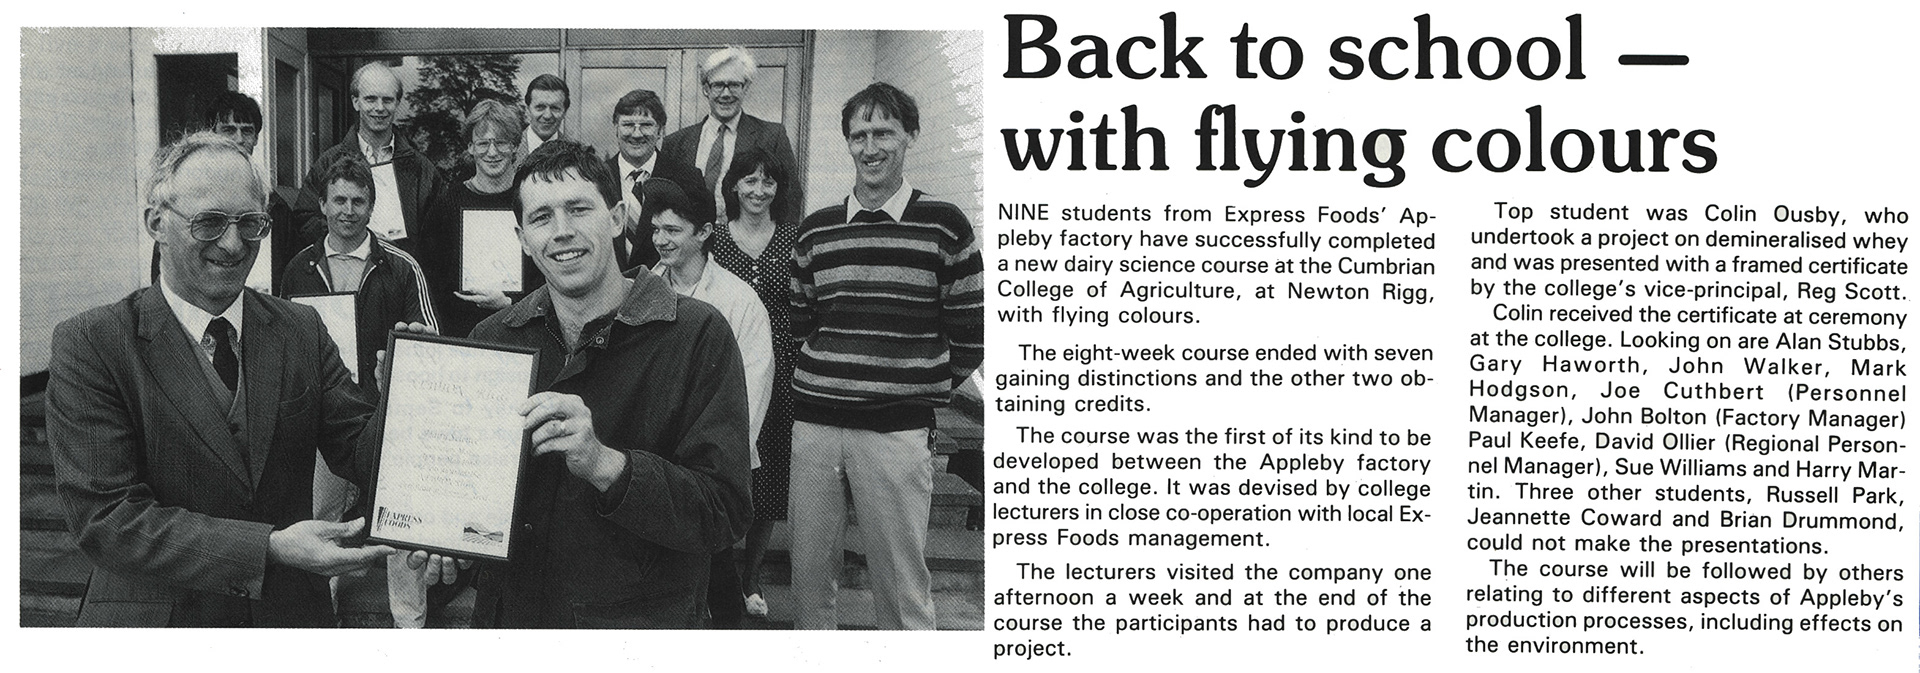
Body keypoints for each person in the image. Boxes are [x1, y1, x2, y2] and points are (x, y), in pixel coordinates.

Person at [45, 132, 457, 627]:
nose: (233, 243)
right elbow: (107, 520)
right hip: (160, 626)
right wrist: (268, 548)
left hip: (288, 622)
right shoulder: (93, 344)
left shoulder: (300, 328)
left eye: (249, 223)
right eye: (209, 223)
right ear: (156, 222)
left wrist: (407, 401)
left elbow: (361, 449)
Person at [461, 139, 752, 628]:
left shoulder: (698, 335)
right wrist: (447, 543)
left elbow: (722, 510)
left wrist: (606, 465)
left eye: (579, 209)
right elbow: (471, 493)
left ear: (617, 218)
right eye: (541, 218)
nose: (562, 232)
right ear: (521, 237)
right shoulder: (494, 338)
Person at [788, 83, 984, 630]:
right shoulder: (816, 230)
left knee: (900, 589)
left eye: (884, 133)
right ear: (847, 143)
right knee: (808, 583)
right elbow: (800, 320)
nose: (870, 147)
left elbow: (972, 329)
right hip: (816, 429)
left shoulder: (945, 226)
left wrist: (915, 387)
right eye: (859, 135)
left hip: (896, 434)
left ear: (910, 137)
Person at [642, 176, 773, 628]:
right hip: (650, 460)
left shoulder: (739, 301)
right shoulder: (639, 291)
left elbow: (753, 388)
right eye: (656, 229)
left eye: (673, 230)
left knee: (716, 578)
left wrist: (714, 460)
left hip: (708, 470)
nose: (660, 240)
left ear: (703, 231)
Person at [707, 147, 801, 619]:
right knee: (725, 465)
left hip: (782, 369)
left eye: (768, 182)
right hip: (727, 362)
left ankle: (752, 577)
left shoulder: (792, 237)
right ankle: (717, 573)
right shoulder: (717, 239)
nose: (759, 190)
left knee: (768, 477)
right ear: (734, 186)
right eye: (750, 180)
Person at [150, 91, 297, 292]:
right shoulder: (183, 199)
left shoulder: (276, 210)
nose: (238, 139)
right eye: (228, 130)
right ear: (212, 134)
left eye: (247, 131)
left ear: (255, 138)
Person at [295, 62, 444, 257]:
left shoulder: (421, 169)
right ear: (356, 102)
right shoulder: (329, 163)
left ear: (398, 103)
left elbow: (439, 232)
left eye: (387, 100)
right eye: (371, 99)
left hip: (401, 278)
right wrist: (356, 237)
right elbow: (305, 221)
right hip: (346, 272)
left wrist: (407, 256)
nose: (379, 108)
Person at [420, 99, 542, 337]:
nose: (493, 152)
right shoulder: (448, 202)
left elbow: (544, 275)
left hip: (522, 332)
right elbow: (429, 276)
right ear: (470, 148)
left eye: (501, 143)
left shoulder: (529, 200)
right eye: (483, 143)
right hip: (460, 333)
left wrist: (510, 303)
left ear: (515, 147)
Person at [660, 46, 802, 219]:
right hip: (693, 243)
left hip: (748, 243)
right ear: (706, 89)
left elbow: (790, 198)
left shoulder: (772, 136)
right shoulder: (676, 143)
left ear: (746, 87)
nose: (726, 94)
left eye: (734, 85)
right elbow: (663, 203)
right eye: (718, 85)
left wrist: (776, 244)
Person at [603, 88, 702, 272]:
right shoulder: (596, 177)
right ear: (616, 128)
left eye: (646, 125)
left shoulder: (687, 179)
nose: (637, 134)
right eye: (628, 124)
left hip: (663, 290)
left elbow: (695, 247)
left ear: (660, 131)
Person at [519, 74, 569, 156]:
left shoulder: (579, 156)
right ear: (527, 110)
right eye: (540, 107)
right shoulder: (507, 150)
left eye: (555, 108)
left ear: (564, 112)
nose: (547, 116)